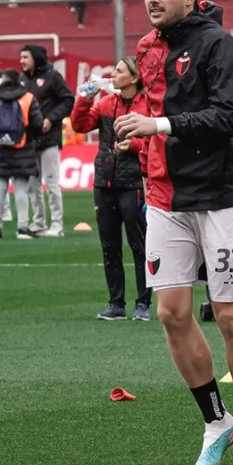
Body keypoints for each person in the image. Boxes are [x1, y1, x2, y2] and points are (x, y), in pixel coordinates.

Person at [112, 0, 233, 465]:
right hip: (163, 196)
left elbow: (227, 117)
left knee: (228, 317)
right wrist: (141, 134)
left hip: (219, 196)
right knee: (172, 314)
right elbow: (160, 115)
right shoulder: (147, 47)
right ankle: (215, 423)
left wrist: (157, 123)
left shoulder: (218, 43)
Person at [70, 57, 152, 321]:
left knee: (140, 245)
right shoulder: (106, 103)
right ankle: (116, 303)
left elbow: (155, 143)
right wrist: (83, 99)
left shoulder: (146, 106)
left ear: (133, 78)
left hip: (132, 184)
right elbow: (79, 125)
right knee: (110, 245)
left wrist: (135, 146)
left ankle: (143, 304)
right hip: (103, 183)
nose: (112, 74)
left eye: (118, 71)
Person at [0, 68, 43, 241]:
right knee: (21, 189)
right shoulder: (27, 97)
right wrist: (28, 138)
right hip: (23, 149)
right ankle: (22, 227)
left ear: (4, 80)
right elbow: (38, 124)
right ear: (19, 79)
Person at [21, 44, 74, 237]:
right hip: (29, 140)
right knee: (32, 185)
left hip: (49, 139)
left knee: (52, 183)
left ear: (35, 58)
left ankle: (57, 225)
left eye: (25, 57)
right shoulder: (22, 80)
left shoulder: (52, 77)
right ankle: (39, 222)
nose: (22, 61)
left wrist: (51, 119)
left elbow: (68, 100)